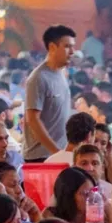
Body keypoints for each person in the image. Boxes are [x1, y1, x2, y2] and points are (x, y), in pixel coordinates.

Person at [24, 26, 74, 162]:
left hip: (58, 154)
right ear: (52, 47)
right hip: (41, 158)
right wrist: (56, 153)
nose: (72, 52)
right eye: (67, 46)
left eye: (73, 47)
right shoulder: (38, 78)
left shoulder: (62, 73)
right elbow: (33, 119)